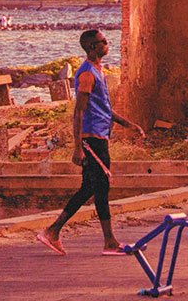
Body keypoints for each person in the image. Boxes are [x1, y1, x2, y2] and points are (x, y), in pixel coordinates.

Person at [36, 28, 141, 256]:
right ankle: (106, 241)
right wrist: (77, 147)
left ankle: (56, 231)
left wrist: (129, 125)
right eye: (103, 41)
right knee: (99, 186)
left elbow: (104, 108)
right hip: (90, 139)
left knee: (92, 188)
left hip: (100, 137)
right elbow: (79, 112)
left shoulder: (98, 71)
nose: (107, 43)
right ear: (93, 47)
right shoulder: (86, 75)